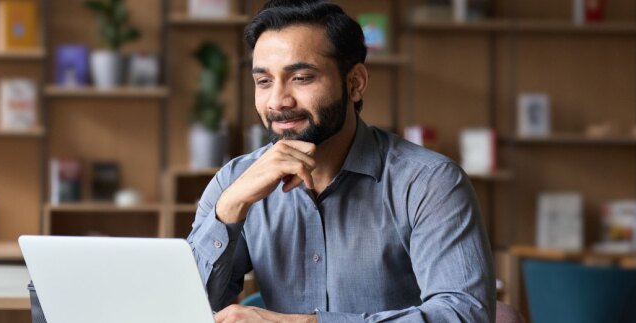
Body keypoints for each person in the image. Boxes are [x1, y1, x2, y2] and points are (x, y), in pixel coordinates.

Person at [187, 1, 496, 322]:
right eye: (264, 81)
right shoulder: (234, 182)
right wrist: (231, 207)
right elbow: (182, 308)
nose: (278, 100)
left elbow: (463, 316)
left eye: (302, 78)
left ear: (355, 83)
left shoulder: (430, 182)